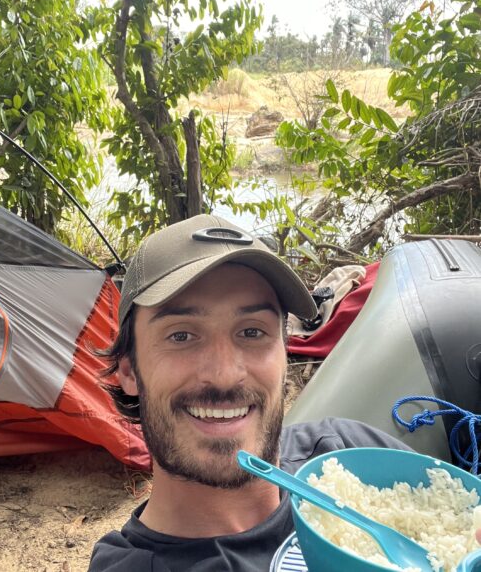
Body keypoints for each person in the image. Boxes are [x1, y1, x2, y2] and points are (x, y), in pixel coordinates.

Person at [89, 214, 411, 572]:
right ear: (129, 371)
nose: (225, 375)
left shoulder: (347, 453)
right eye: (181, 335)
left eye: (252, 332)